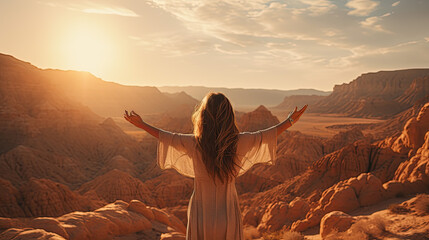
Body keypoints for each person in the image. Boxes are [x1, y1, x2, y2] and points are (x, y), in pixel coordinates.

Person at [124, 92, 307, 240]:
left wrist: (141, 124)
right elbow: (268, 134)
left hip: (201, 213)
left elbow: (166, 136)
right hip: (228, 214)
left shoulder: (194, 143)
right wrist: (290, 120)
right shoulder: (241, 141)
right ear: (229, 116)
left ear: (203, 117)